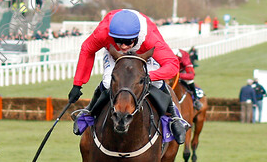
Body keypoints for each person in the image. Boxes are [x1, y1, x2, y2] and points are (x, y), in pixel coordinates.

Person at [68, 9, 189, 144]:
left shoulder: (150, 38)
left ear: (136, 36)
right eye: (119, 41)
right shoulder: (103, 33)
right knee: (109, 82)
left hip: (144, 52)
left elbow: (172, 65)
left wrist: (149, 77)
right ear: (111, 36)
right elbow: (87, 49)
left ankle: (174, 117)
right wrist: (77, 84)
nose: (124, 46)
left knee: (157, 83)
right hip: (115, 54)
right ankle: (88, 111)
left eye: (127, 41)